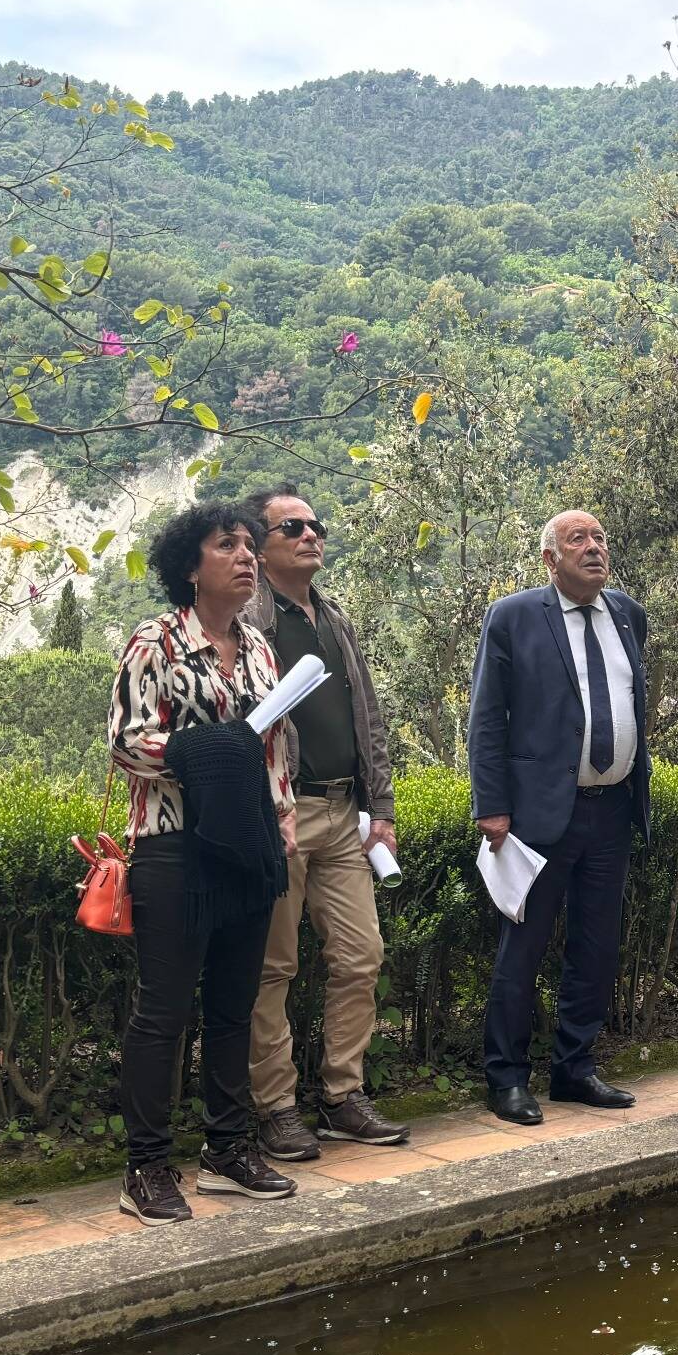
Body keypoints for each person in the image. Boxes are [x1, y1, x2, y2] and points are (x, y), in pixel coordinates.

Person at [108, 502, 301, 1226]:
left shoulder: (258, 648)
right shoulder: (152, 641)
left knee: (232, 1009)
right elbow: (127, 741)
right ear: (191, 566)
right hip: (173, 847)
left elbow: (274, 749)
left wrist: (280, 817)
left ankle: (226, 1152)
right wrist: (211, 753)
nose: (247, 556)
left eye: (250, 545)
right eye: (229, 545)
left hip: (245, 849)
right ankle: (146, 1168)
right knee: (162, 1013)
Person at [466, 509, 651, 1125]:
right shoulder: (514, 617)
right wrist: (491, 805)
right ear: (551, 559)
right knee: (523, 948)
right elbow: (488, 717)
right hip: (539, 816)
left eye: (600, 536)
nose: (594, 547)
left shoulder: (627, 614)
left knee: (596, 948)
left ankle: (574, 1069)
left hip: (612, 809)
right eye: (578, 539)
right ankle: (507, 1079)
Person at [243, 484, 411, 1161]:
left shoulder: (333, 618)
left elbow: (367, 719)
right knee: (273, 968)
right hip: (278, 814)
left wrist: (384, 812)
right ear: (259, 546)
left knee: (361, 954)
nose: (310, 535)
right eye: (292, 526)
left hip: (344, 815)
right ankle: (275, 1108)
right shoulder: (250, 619)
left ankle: (343, 1095)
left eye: (316, 524)